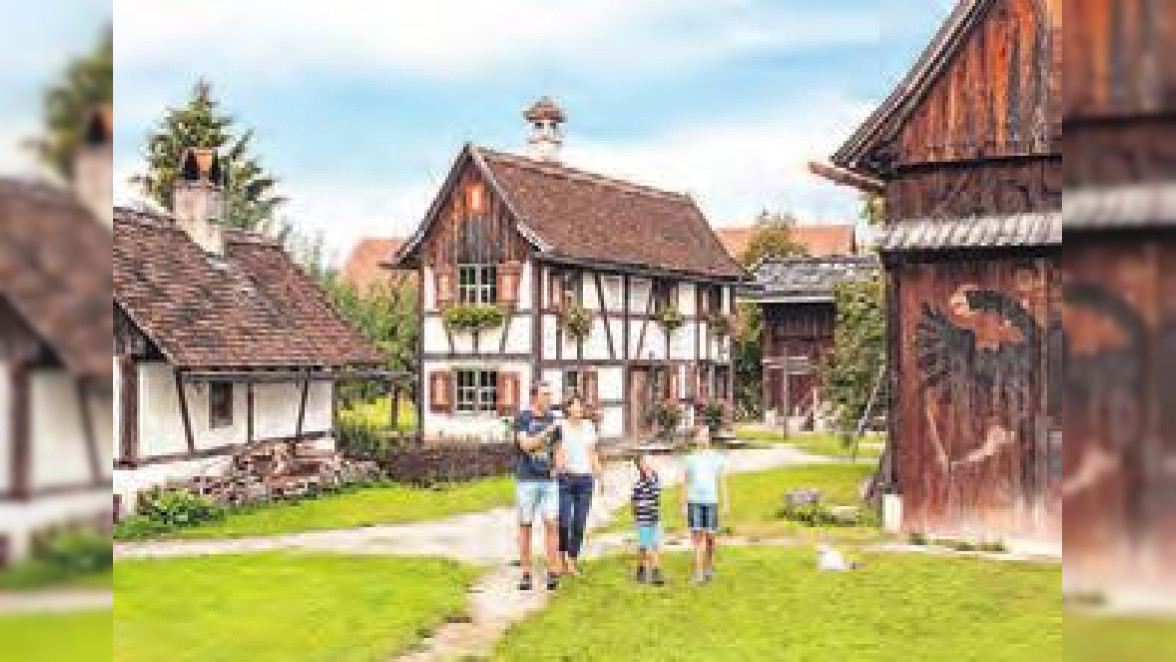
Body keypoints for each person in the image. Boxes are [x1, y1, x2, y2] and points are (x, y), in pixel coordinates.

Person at [514, 382, 561, 591]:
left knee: (552, 524)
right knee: (526, 525)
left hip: (549, 481)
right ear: (535, 397)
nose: (549, 398)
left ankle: (552, 571)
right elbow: (526, 445)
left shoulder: (553, 418)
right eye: (545, 395)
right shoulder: (523, 418)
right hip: (527, 480)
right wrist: (548, 431)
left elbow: (558, 447)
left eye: (550, 395)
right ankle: (526, 573)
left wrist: (557, 467)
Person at [554, 394, 603, 577]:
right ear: (567, 408)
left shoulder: (589, 427)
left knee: (579, 523)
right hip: (566, 479)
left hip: (585, 481)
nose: (579, 409)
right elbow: (558, 450)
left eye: (581, 405)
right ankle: (560, 558)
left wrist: (600, 475)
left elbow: (592, 452)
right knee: (564, 522)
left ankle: (572, 561)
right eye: (575, 406)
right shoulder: (561, 426)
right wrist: (559, 467)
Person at [683, 434, 729, 583]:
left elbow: (722, 480)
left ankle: (708, 568)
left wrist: (726, 501)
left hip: (711, 502)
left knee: (710, 537)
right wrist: (683, 504)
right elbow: (685, 482)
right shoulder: (689, 459)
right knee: (697, 538)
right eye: (701, 436)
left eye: (706, 435)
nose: (704, 438)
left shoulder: (717, 457)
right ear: (695, 439)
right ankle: (698, 573)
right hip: (694, 501)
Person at [630, 453, 665, 586]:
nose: (647, 465)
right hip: (643, 520)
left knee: (654, 545)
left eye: (649, 462)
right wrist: (635, 518)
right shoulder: (638, 485)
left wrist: (651, 477)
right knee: (644, 547)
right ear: (640, 466)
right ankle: (641, 569)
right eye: (644, 463)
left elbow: (656, 494)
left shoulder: (656, 480)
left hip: (654, 519)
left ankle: (656, 572)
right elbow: (634, 501)